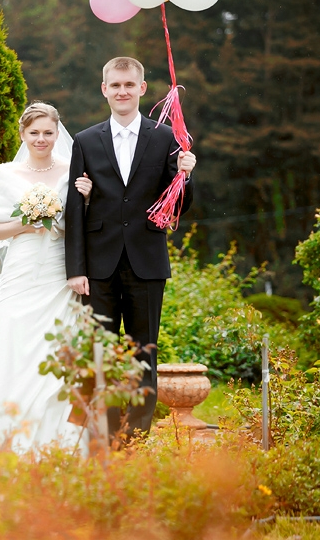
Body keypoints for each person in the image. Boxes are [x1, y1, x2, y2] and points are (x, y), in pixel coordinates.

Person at [64, 56, 196, 445]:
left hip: (146, 262)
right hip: (98, 267)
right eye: (114, 85)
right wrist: (76, 268)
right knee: (97, 353)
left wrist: (186, 174)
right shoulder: (86, 141)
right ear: (104, 89)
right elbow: (75, 207)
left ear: (141, 89)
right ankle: (101, 434)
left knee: (144, 353)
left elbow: (177, 206)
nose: (122, 91)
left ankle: (134, 439)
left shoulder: (165, 138)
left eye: (129, 85)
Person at [0, 102, 92, 455]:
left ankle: (52, 441)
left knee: (54, 348)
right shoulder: (7, 175)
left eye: (48, 132)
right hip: (20, 270)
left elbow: (85, 222)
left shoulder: (71, 172)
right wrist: (29, 221)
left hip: (57, 272)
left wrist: (88, 198)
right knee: (11, 344)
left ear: (57, 132)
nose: (41, 139)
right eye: (34, 133)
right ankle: (0, 436)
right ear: (22, 134)